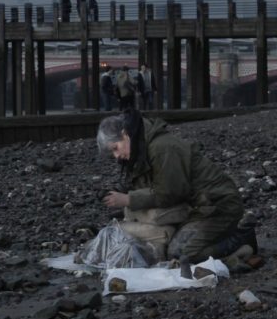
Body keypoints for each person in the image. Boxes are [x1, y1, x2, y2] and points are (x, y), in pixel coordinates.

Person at [98, 108, 256, 263]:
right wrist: (118, 192)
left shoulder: (162, 148)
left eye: (115, 148)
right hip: (197, 206)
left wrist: (128, 199)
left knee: (181, 254)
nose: (117, 156)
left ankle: (241, 238)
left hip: (218, 206)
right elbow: (150, 184)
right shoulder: (142, 149)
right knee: (170, 246)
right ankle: (222, 240)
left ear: (125, 134)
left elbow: (170, 193)